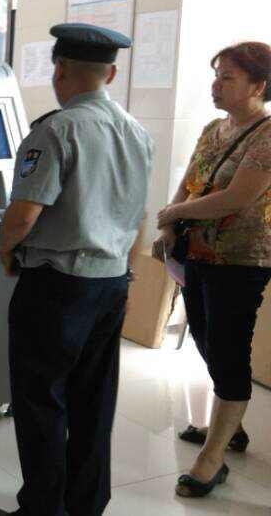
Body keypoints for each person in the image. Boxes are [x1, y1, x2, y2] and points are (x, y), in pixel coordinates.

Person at [0, 23, 153, 516]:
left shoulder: (57, 130)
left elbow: (23, 214)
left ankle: (42, 509)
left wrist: (5, 252)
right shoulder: (136, 131)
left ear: (59, 70)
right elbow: (139, 215)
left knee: (41, 400)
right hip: (111, 282)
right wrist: (126, 272)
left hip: (57, 285)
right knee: (95, 399)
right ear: (111, 74)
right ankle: (86, 505)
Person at [156, 41, 271, 498]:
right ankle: (231, 426)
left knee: (228, 349)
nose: (216, 85)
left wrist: (174, 213)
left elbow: (236, 198)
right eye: (216, 75)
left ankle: (212, 457)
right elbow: (191, 182)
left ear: (258, 86)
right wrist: (170, 223)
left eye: (227, 78)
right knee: (205, 339)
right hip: (198, 254)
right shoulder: (213, 129)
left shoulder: (267, 134)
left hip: (241, 260)